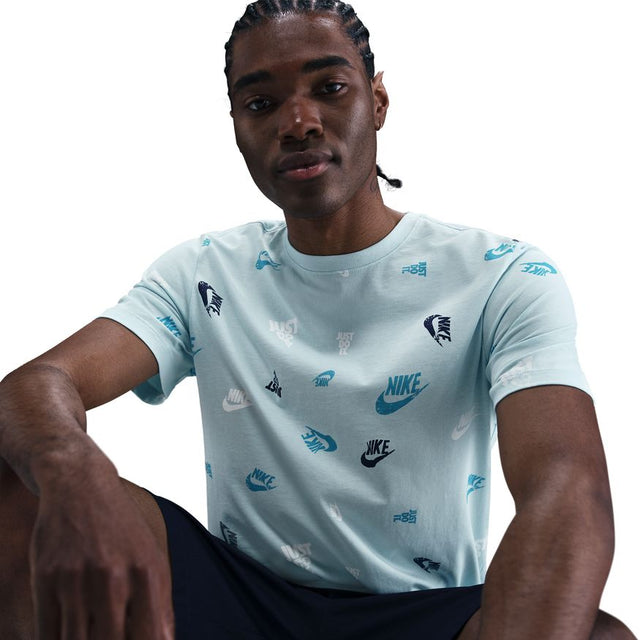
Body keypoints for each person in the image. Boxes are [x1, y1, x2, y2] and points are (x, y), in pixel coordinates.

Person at [0, 1, 636, 638]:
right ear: (236, 126)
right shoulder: (203, 273)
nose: (298, 123)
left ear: (377, 101)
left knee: (599, 637)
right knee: (20, 481)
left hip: (416, 615)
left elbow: (565, 485)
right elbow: (37, 385)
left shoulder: (501, 276)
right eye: (261, 103)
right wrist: (76, 474)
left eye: (329, 88)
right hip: (239, 600)